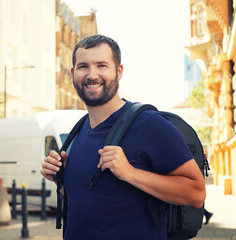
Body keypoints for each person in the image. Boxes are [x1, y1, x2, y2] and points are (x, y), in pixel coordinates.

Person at [40, 34, 206, 240]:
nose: (92, 75)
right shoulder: (78, 130)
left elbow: (196, 194)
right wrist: (60, 179)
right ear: (73, 73)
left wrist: (129, 173)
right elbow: (94, 199)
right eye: (83, 67)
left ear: (118, 72)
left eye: (102, 65)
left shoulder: (150, 124)